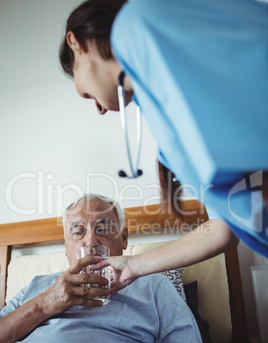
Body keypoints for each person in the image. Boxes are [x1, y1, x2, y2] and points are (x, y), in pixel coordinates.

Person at [58, 0, 268, 292]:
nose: (98, 108)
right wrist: (131, 266)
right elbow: (224, 230)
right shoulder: (157, 110)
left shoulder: (139, 20)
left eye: (82, 90)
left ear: (76, 43)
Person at [0, 194, 212, 343]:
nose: (90, 240)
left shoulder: (154, 286)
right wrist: (45, 303)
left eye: (102, 229)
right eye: (78, 231)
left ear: (124, 238)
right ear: (66, 246)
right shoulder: (37, 287)